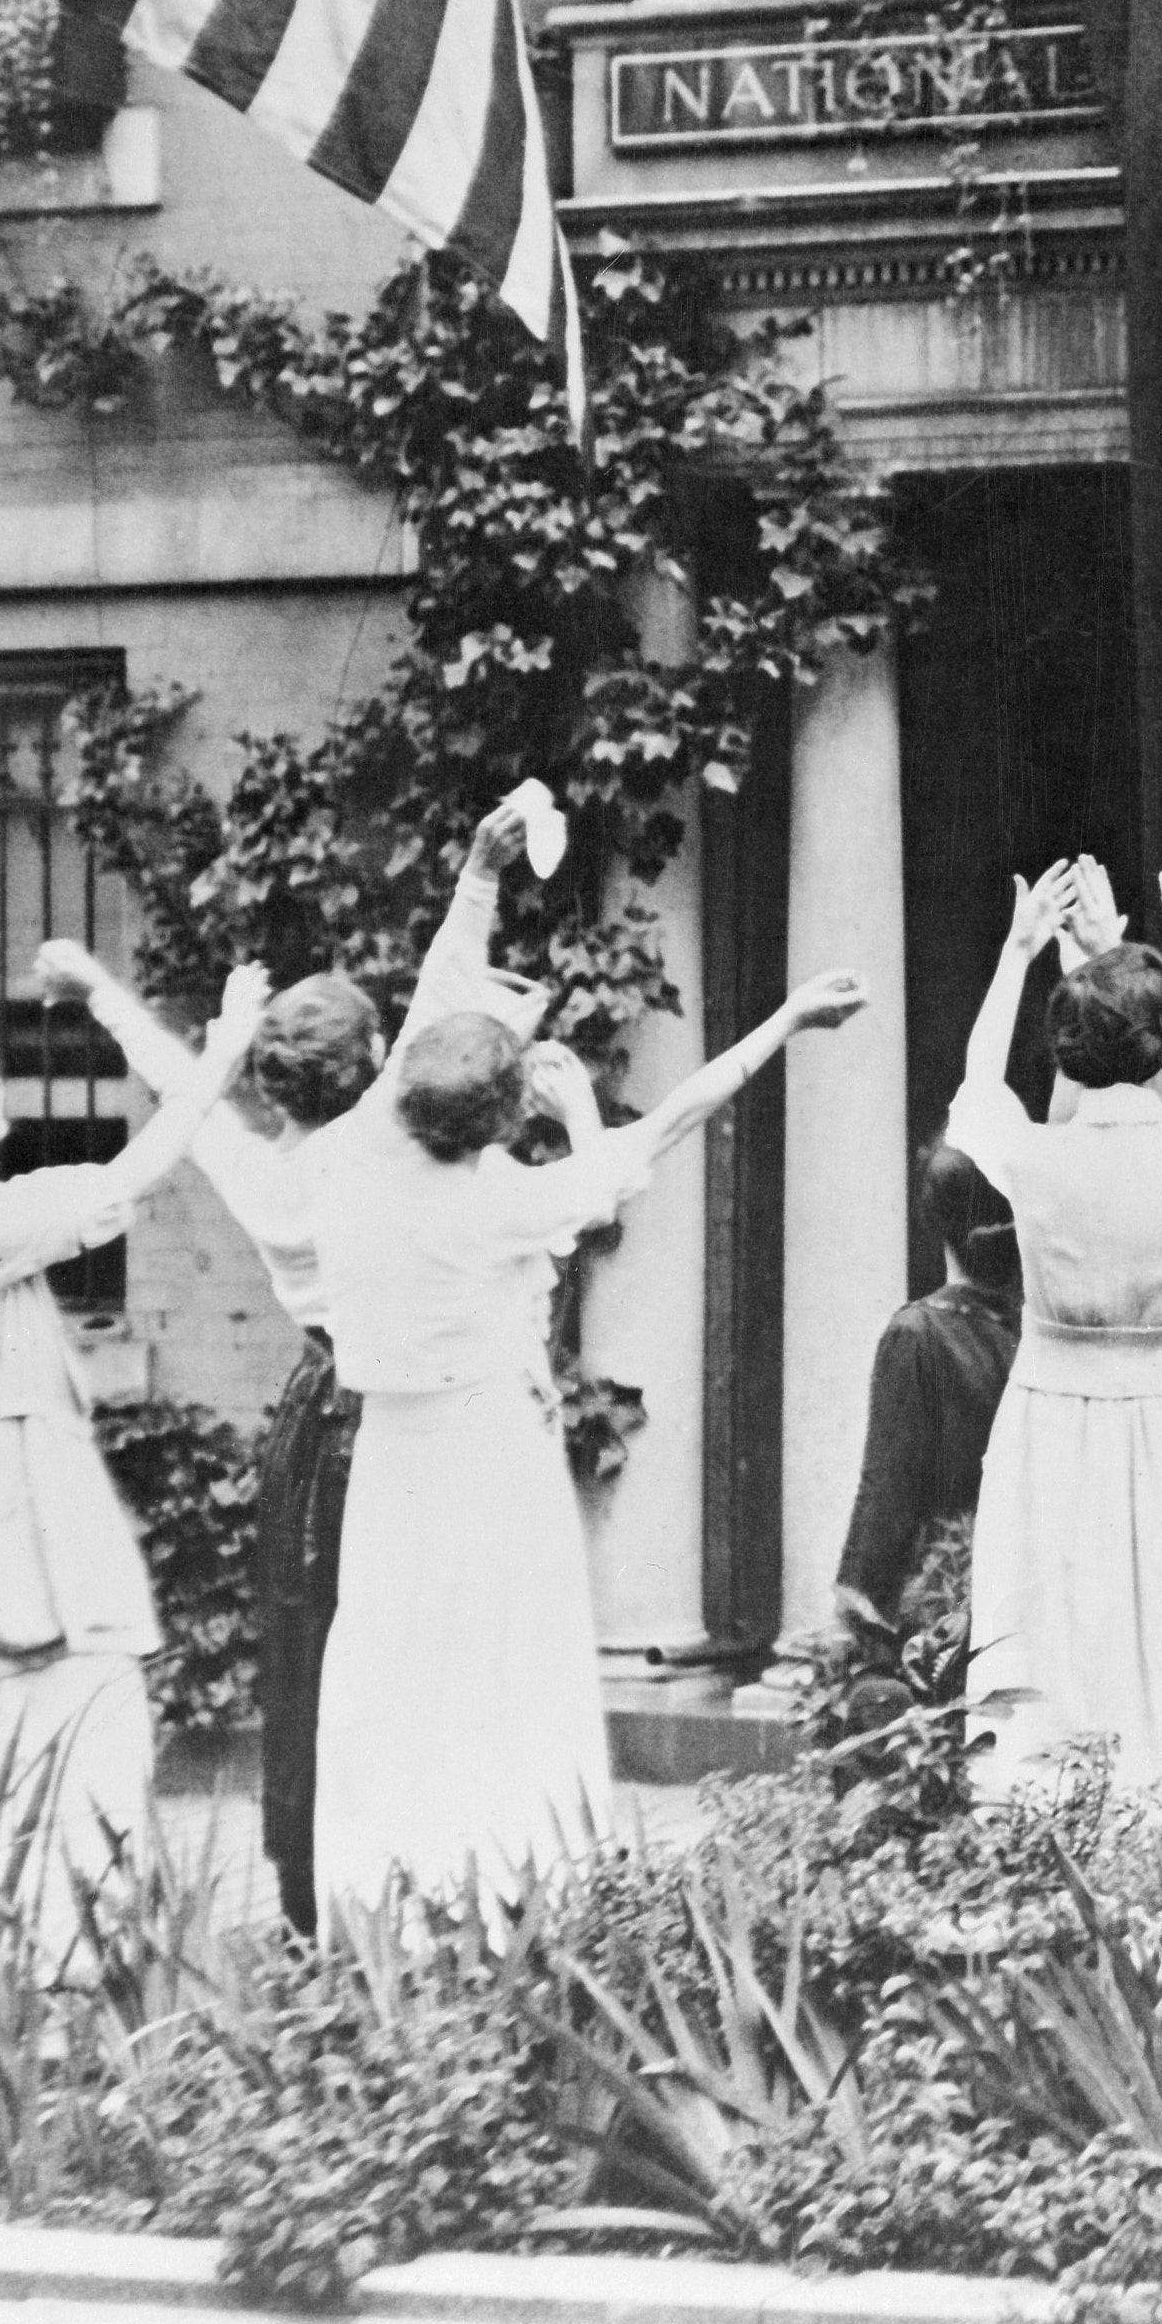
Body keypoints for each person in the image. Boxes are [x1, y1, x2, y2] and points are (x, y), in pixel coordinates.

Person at [311, 818, 863, 1915]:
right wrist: (780, 1020)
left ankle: (391, 1899)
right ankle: (516, 1888)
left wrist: (476, 872)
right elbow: (672, 1120)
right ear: (499, 1121)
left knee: (397, 1664)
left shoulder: (354, 1153)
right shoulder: (510, 1200)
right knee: (511, 1666)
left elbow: (433, 1000)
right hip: (488, 1457)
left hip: (391, 1458)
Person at [0, 966, 269, 1936]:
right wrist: (221, 1050)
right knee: (47, 1714)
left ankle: (59, 1942)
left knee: (63, 1708)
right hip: (8, 1507)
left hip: (24, 1491)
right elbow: (133, 1172)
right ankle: (47, 1948)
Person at [35, 935, 381, 1938]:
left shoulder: (260, 1170)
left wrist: (102, 988)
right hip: (387, 1423)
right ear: (365, 1069)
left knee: (302, 1660)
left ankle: (306, 1901)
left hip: (312, 1424)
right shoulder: (382, 1151)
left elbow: (178, 1083)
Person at [949, 858, 1162, 1795]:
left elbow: (976, 1081)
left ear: (1068, 1054)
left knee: (1059, 1619)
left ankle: (1048, 1815)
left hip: (1053, 1419)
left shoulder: (1035, 1156)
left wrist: (1019, 951)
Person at [832, 1144, 1023, 1641]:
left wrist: (859, 1599)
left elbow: (889, 1486)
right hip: (1022, 1588)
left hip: (940, 1597)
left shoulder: (916, 1334)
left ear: (933, 1220)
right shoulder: (1036, 1333)